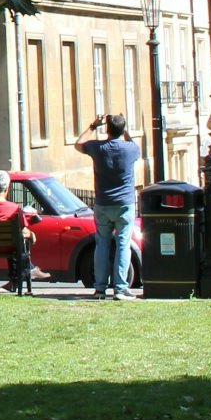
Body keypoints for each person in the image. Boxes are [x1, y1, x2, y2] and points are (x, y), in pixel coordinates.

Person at [76, 114, 142, 300]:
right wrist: (125, 130)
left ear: (107, 129)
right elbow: (134, 145)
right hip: (124, 204)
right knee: (123, 245)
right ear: (122, 130)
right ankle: (120, 288)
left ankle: (100, 288)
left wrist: (93, 126)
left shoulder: (98, 148)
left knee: (102, 244)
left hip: (103, 203)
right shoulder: (130, 149)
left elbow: (78, 144)